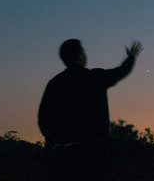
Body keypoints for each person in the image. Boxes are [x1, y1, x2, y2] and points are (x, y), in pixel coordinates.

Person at [38, 39, 143, 180]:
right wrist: (131, 57)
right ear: (80, 56)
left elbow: (43, 119)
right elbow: (120, 72)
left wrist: (54, 141)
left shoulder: (54, 84)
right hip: (92, 154)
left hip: (63, 155)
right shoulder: (94, 77)